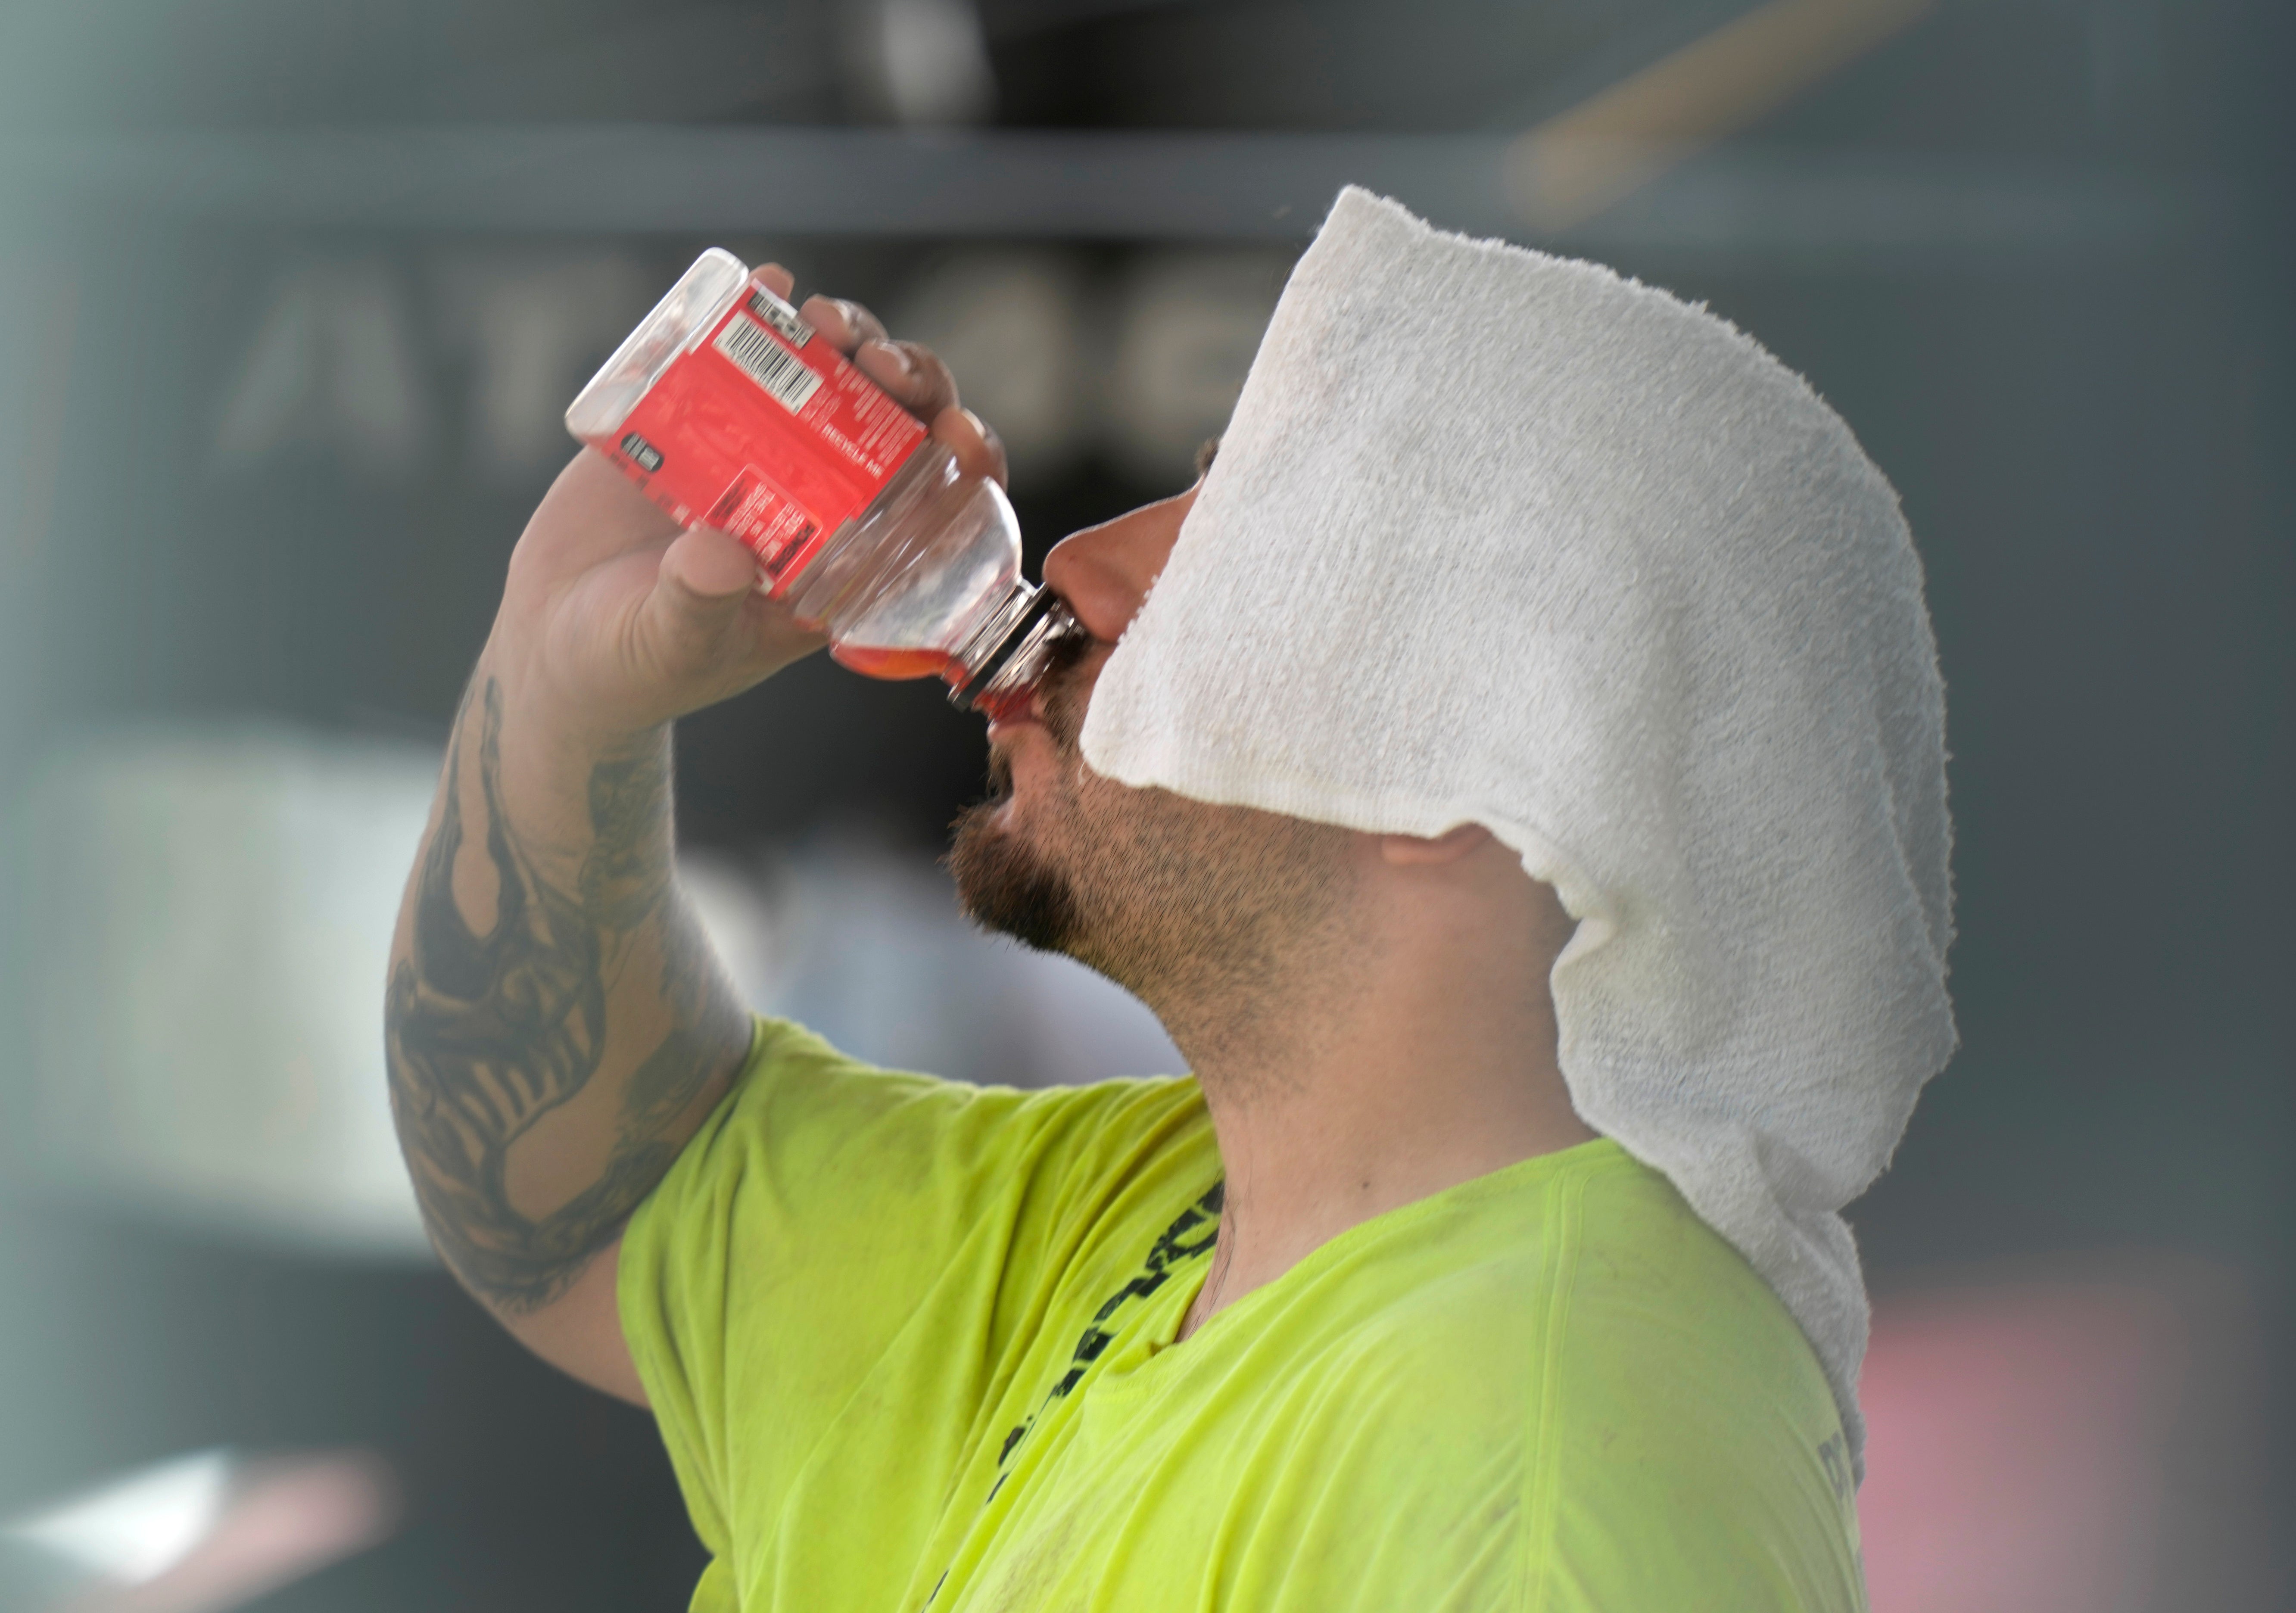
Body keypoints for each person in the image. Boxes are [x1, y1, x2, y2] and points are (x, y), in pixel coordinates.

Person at [385, 188, 1952, 1611]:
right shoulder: (1159, 1216)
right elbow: (585, 1201)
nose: (1077, 564)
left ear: (1468, 778)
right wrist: (566, 672)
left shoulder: (1555, 1480)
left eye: (1242, 542)